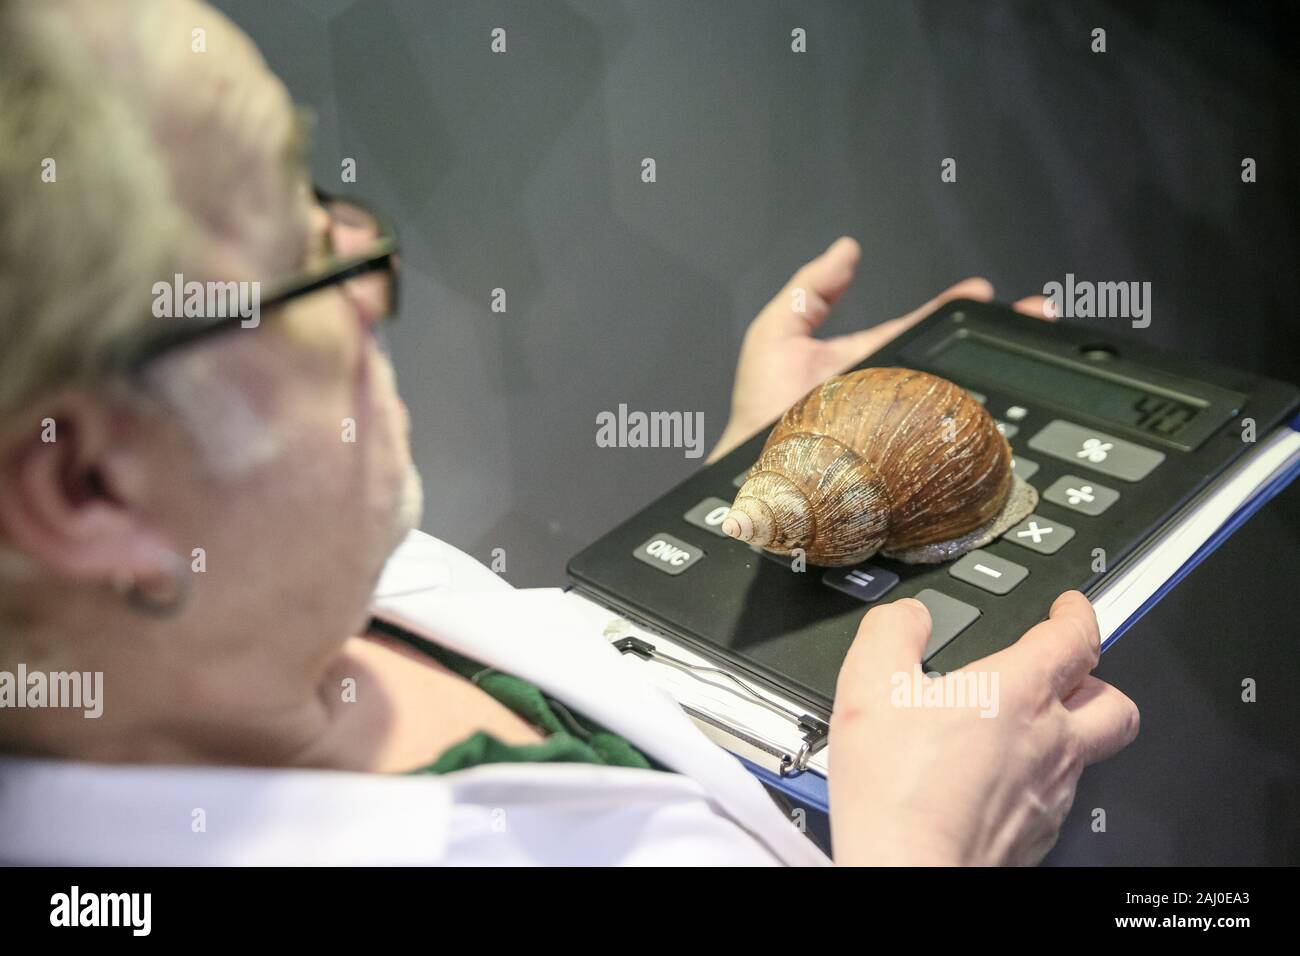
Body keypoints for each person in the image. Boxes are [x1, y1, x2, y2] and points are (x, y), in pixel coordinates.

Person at [0, 0, 1137, 866]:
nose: (374, 281)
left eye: (327, 205)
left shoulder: (300, 587)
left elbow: (602, 696)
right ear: (92, 488)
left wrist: (747, 478)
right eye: (306, 265)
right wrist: (926, 844)